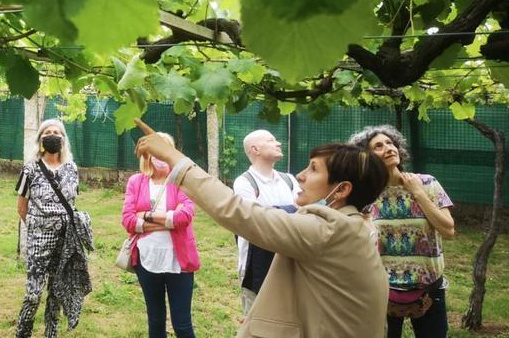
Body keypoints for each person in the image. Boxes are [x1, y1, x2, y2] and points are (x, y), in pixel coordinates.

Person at [133, 119, 390, 337]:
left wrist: (172, 156)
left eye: (313, 169)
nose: (300, 176)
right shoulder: (352, 226)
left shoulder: (331, 229)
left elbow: (238, 211)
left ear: (342, 189)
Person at [349, 125, 455, 338]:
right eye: (378, 146)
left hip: (429, 288)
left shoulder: (426, 182)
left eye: (390, 143)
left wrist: (417, 192)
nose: (388, 148)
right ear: (367, 157)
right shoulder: (366, 195)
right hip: (382, 290)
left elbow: (448, 229)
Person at [15, 119, 92, 338]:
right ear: (40, 139)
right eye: (48, 132)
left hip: (66, 239)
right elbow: (22, 208)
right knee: (33, 293)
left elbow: (72, 202)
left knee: (57, 291)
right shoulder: (30, 169)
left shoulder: (72, 169)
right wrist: (39, 227)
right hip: (39, 239)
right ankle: (22, 333)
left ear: (63, 139)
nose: (52, 135)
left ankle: (51, 333)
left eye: (57, 132)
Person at [121, 132, 199, 338]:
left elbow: (185, 217)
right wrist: (167, 221)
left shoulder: (182, 180)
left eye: (164, 150)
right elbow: (128, 220)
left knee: (182, 324)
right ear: (147, 155)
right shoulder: (136, 182)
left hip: (178, 261)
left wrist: (145, 216)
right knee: (155, 321)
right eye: (154, 151)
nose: (159, 155)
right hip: (147, 259)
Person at [232, 130, 298, 315]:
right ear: (255, 149)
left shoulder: (289, 180)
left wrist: (271, 212)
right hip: (256, 268)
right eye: (271, 140)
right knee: (258, 320)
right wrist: (291, 210)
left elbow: (304, 214)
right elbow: (257, 221)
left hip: (289, 262)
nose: (278, 143)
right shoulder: (244, 182)